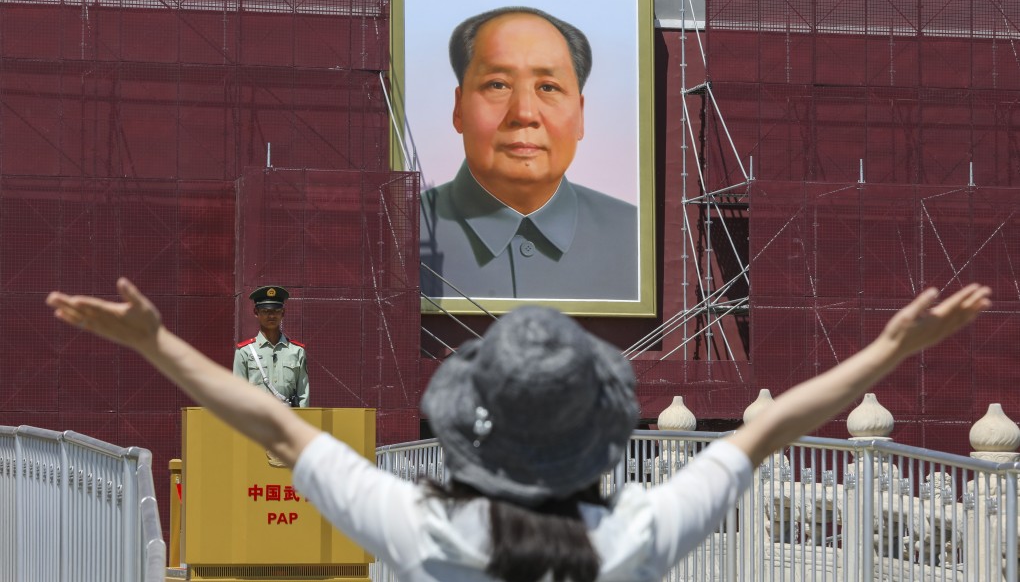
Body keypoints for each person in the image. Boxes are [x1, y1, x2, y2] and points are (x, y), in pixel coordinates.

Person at [46, 280, 989, 582]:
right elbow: (773, 426)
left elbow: (277, 431)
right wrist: (888, 350)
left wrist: (157, 340)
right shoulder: (633, 539)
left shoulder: (428, 534)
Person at [420, 6, 639, 301]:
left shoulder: (635, 237)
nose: (524, 113)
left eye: (548, 87)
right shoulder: (400, 231)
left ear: (581, 116)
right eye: (497, 85)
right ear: (458, 109)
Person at [232, 285, 309, 408]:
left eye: (276, 311)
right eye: (265, 311)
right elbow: (238, 394)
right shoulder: (244, 352)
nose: (271, 316)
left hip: (288, 419)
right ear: (256, 312)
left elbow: (303, 394)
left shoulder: (296, 351)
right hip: (256, 418)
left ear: (283, 313)